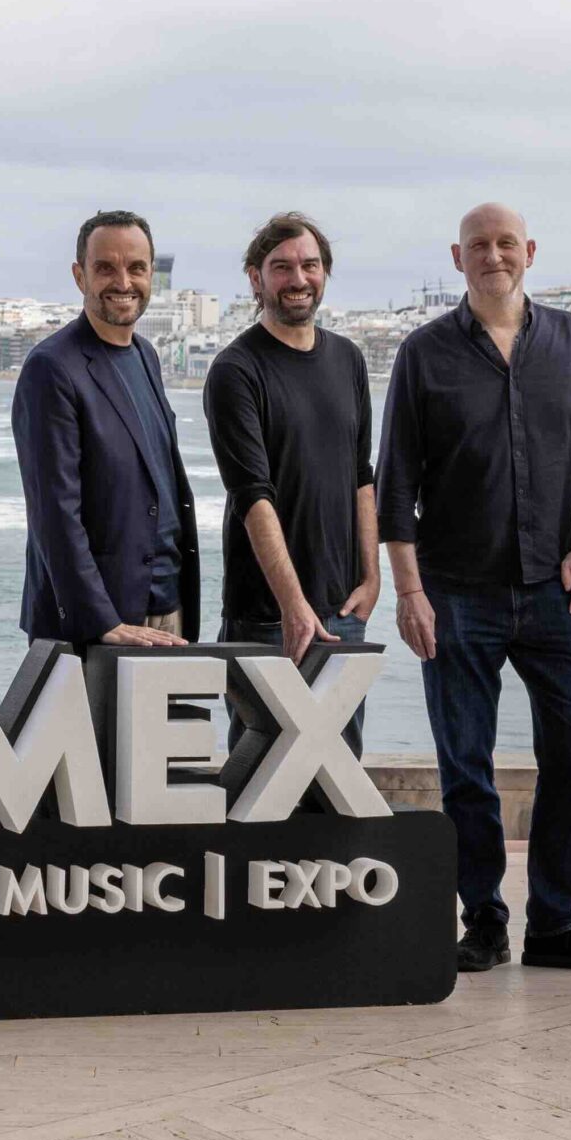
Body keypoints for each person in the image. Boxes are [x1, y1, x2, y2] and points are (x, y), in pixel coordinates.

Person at [380, 202, 571, 974]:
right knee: (465, 764)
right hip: (455, 592)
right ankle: (483, 921)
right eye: (478, 245)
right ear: (458, 258)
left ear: (529, 251)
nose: (493, 255)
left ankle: (557, 921)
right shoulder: (423, 353)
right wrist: (409, 592)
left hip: (557, 591)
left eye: (505, 243)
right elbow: (396, 485)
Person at [203, 213, 380, 745]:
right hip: (266, 615)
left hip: (343, 609)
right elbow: (252, 496)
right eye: (281, 267)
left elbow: (361, 477)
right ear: (255, 278)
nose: (298, 278)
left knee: (339, 770)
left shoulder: (348, 359)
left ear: (324, 272)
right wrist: (292, 604)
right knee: (260, 774)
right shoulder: (236, 370)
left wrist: (372, 579)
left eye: (310, 265)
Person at [11, 210, 198, 649]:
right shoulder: (52, 367)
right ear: (80, 276)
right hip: (98, 624)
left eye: (136, 268)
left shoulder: (146, 355)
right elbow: (54, 510)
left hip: (165, 609)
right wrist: (100, 621)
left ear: (151, 275)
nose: (123, 282)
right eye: (106, 268)